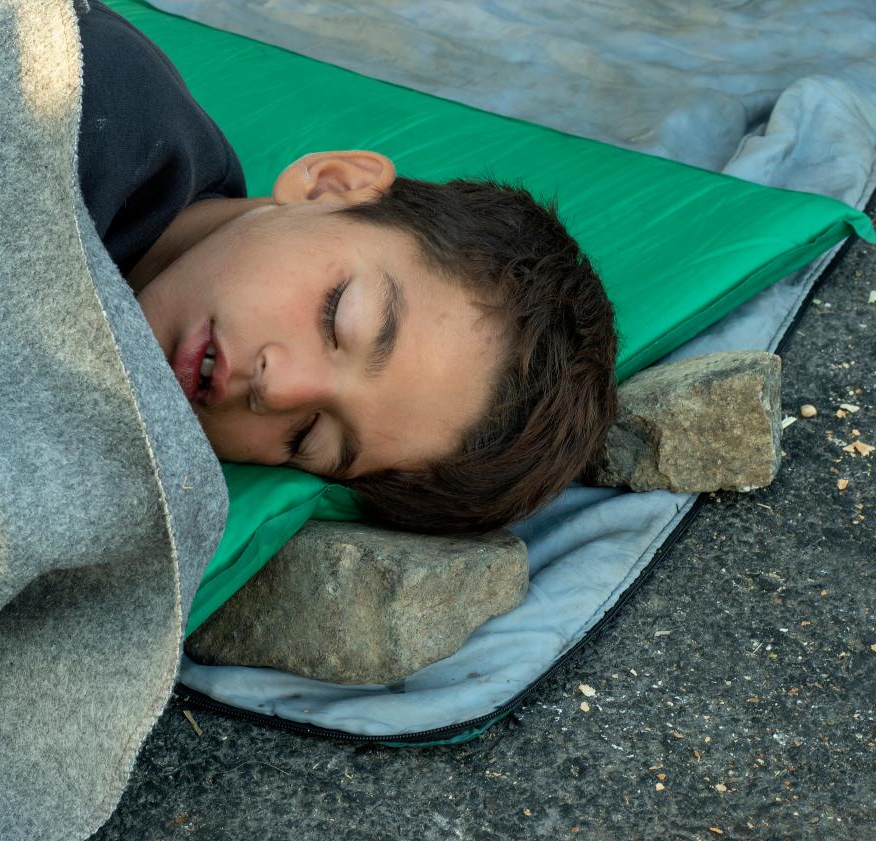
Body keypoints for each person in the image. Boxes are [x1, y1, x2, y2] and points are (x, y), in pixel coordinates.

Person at [76, 0, 618, 536]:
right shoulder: (80, 97)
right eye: (336, 317)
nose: (280, 390)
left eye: (307, 437)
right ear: (331, 187)